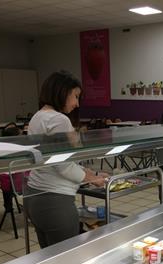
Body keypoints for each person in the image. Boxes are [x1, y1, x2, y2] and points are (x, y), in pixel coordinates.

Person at [24, 71, 108, 248]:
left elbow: (54, 160)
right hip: (55, 201)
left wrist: (91, 172)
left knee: (48, 258)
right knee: (65, 260)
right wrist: (93, 179)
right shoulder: (59, 119)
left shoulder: (38, 116)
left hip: (33, 195)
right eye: (75, 96)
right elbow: (62, 167)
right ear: (62, 92)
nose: (77, 104)